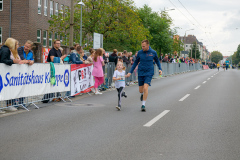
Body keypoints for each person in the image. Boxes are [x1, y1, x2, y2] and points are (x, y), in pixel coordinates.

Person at [126, 40, 162, 112]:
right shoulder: (139, 53)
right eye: (142, 46)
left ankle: (143, 105)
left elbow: (157, 61)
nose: (142, 47)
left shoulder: (153, 52)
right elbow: (136, 62)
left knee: (146, 88)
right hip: (141, 72)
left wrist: (160, 69)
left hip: (149, 72)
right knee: (140, 90)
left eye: (144, 46)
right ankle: (142, 94)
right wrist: (130, 72)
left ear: (148, 45)